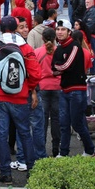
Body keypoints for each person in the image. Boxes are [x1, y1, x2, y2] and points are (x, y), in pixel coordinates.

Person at [0, 16, 41, 183]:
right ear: (16, 28)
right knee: (24, 133)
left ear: (0, 28)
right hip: (20, 98)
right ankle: (31, 170)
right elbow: (36, 73)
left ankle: (5, 172)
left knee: (2, 135)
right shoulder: (26, 47)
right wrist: (28, 88)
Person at [52, 20, 95, 158]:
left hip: (77, 89)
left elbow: (64, 66)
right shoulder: (59, 48)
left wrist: (59, 68)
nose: (59, 32)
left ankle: (90, 151)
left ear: (69, 32)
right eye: (58, 29)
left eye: (62, 29)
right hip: (65, 89)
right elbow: (53, 68)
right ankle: (64, 153)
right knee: (64, 124)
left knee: (77, 123)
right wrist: (59, 68)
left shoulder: (75, 45)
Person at [36, 27, 61, 158]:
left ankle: (41, 148)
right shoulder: (60, 52)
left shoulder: (37, 52)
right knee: (56, 119)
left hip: (43, 86)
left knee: (43, 119)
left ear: (42, 38)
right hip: (57, 86)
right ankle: (56, 148)